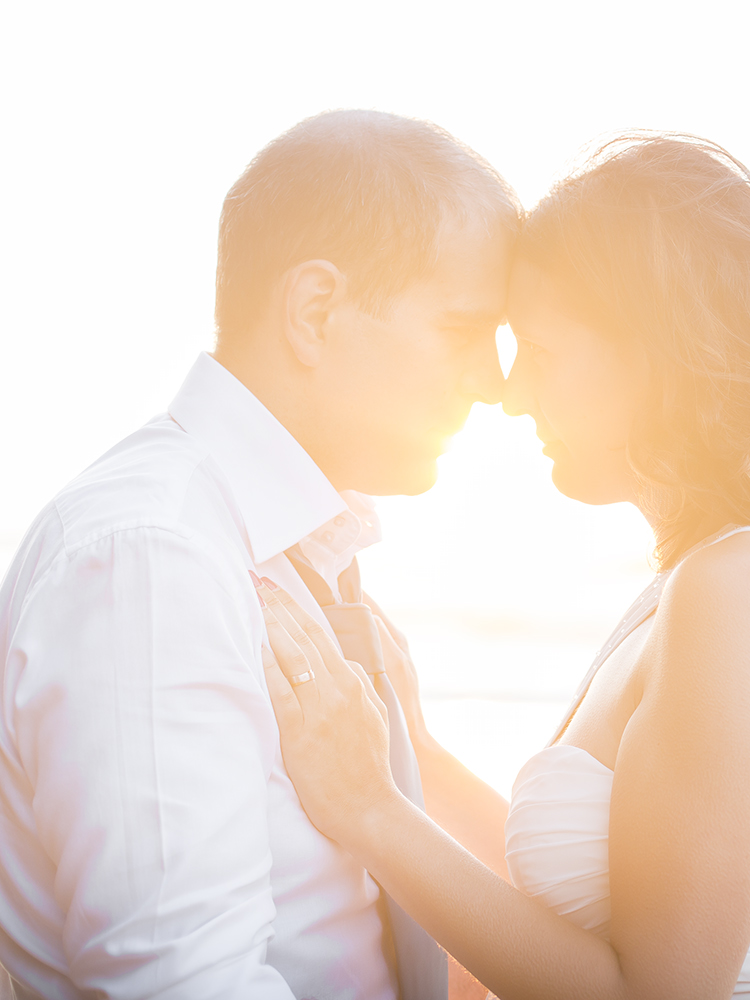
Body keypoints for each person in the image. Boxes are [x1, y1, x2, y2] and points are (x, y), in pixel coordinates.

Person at [255, 134, 750, 1000]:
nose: (511, 394)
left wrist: (374, 812)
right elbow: (605, 901)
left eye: (542, 354)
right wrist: (419, 751)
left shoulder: (741, 589)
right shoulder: (715, 577)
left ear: (663, 356)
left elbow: (655, 993)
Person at [0, 110, 520, 999]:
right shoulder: (153, 561)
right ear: (315, 311)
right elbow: (181, 985)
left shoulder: (290, 550)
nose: (496, 384)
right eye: (463, 329)